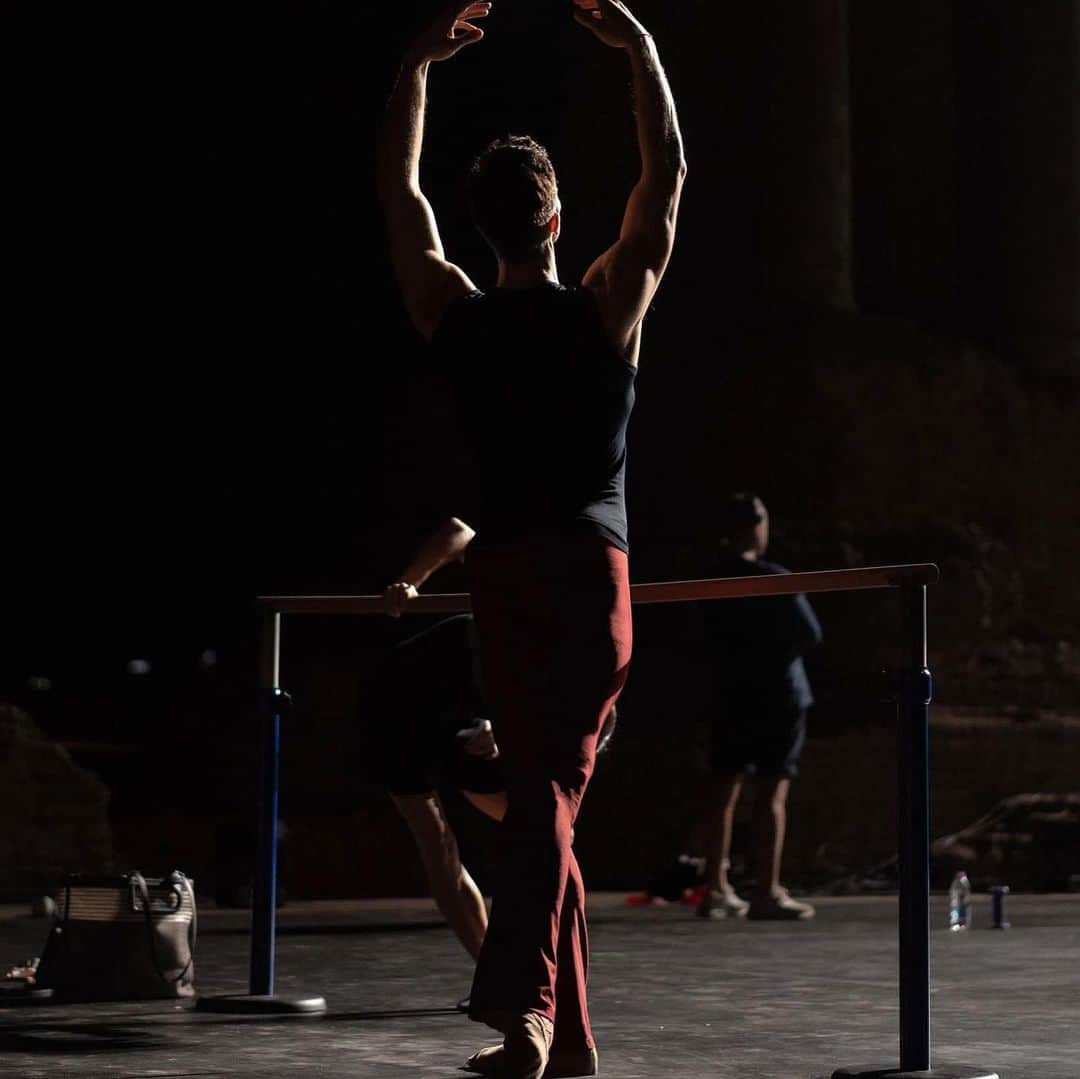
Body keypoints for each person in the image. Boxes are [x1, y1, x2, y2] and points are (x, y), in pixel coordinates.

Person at [377, 1, 686, 1073]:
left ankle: (548, 1029)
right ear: (559, 223)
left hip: (505, 577)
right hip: (588, 579)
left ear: (487, 226)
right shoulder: (605, 308)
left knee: (545, 794)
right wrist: (641, 51)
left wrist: (416, 65)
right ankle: (544, 1020)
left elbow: (399, 198)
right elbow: (670, 177)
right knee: (548, 796)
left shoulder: (451, 312)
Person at [375, 519, 617, 991]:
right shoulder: (522, 583)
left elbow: (597, 718)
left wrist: (503, 734)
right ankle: (502, 981)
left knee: (541, 835)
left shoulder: (575, 656)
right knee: (439, 848)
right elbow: (456, 531)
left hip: (467, 719)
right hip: (402, 706)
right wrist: (411, 583)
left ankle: (518, 978)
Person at [695, 493, 823, 922]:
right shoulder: (773, 579)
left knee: (723, 790)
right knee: (771, 793)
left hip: (730, 693)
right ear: (756, 526)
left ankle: (717, 887)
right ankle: (766, 890)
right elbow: (810, 634)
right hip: (778, 696)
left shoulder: (710, 581)